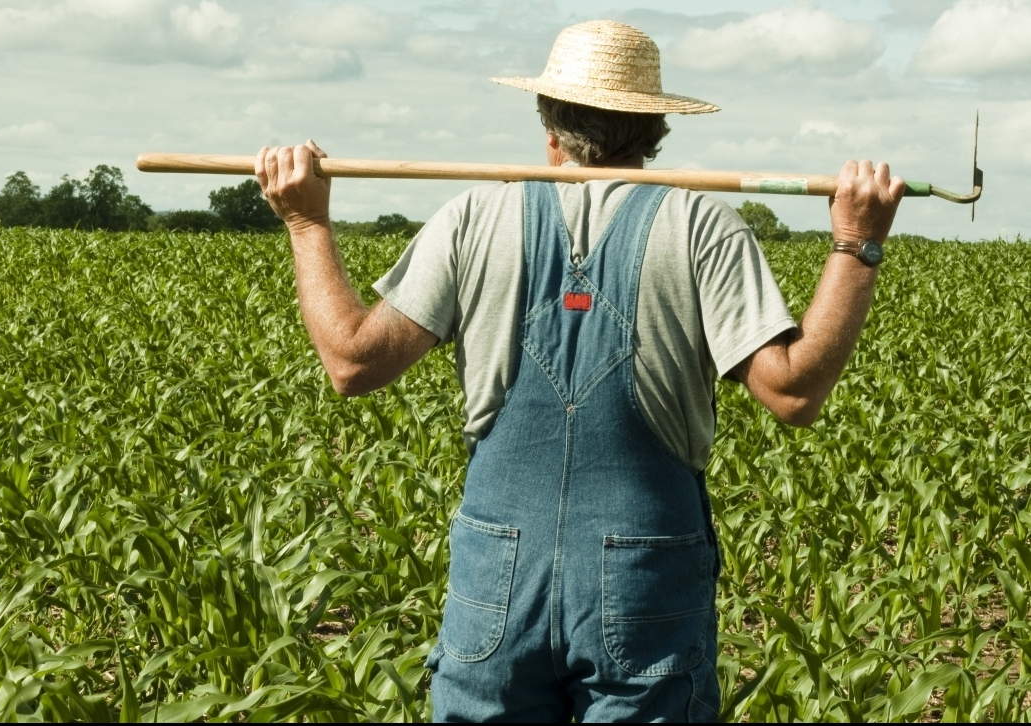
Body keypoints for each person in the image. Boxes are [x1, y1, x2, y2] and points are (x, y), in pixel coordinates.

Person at [255, 19, 904, 723]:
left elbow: (352, 362)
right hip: (644, 572)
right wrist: (855, 245)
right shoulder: (701, 227)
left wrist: (305, 224)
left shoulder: (475, 215)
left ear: (548, 122)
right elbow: (793, 391)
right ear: (655, 126)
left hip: (496, 571)